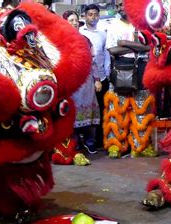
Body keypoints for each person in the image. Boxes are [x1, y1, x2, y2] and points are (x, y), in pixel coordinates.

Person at [102, 0, 156, 158]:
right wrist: (136, 45)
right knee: (117, 108)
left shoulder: (144, 24)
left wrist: (124, 43)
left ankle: (140, 146)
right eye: (117, 5)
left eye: (122, 4)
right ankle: (115, 146)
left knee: (142, 108)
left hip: (142, 68)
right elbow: (113, 50)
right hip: (121, 68)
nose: (120, 7)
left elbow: (149, 47)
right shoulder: (113, 25)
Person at [63, 10, 100, 154]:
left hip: (86, 83)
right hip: (70, 83)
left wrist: (97, 80)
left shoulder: (85, 40)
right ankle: (75, 142)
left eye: (76, 20)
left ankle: (90, 142)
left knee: (89, 111)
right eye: (71, 20)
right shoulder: (60, 40)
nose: (74, 23)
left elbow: (93, 62)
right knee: (72, 113)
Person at [80, 4, 111, 150]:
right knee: (87, 108)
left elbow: (105, 55)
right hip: (87, 79)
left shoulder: (103, 34)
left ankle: (100, 140)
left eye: (95, 14)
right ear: (85, 16)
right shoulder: (79, 32)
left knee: (102, 108)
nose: (93, 17)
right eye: (90, 14)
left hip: (102, 77)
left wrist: (107, 72)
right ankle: (86, 139)